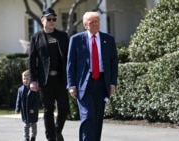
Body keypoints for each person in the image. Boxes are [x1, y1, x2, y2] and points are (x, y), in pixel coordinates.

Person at [66, 11, 118, 141]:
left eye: (97, 21)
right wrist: (71, 85)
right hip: (84, 84)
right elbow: (70, 64)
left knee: (97, 118)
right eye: (91, 22)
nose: (95, 24)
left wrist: (113, 83)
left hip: (102, 83)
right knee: (88, 116)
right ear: (85, 25)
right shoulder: (76, 40)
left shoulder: (108, 39)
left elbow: (113, 63)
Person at [29, 7, 69, 141]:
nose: (52, 21)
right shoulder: (36, 37)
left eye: (54, 19)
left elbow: (69, 58)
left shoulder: (62, 36)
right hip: (45, 80)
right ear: (42, 21)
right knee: (48, 110)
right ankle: (51, 138)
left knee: (64, 108)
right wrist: (33, 80)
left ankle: (58, 130)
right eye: (49, 19)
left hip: (60, 78)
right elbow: (32, 60)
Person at [15, 70, 40, 141]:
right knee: (26, 126)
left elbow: (37, 100)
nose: (25, 80)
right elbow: (18, 100)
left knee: (33, 125)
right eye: (24, 79)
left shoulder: (34, 89)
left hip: (33, 112)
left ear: (31, 79)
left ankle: (33, 136)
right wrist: (17, 108)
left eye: (27, 79)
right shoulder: (20, 90)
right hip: (25, 112)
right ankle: (26, 138)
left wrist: (34, 108)